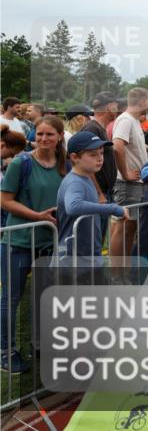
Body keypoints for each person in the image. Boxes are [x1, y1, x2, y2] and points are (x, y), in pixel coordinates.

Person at [0, 116, 65, 373]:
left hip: (48, 243)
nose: (44, 139)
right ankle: (6, 351)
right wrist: (37, 216)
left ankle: (40, 344)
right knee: (11, 298)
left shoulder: (65, 164)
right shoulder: (21, 163)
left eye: (49, 134)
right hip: (19, 242)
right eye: (39, 134)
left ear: (60, 136)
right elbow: (5, 201)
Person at [57, 132, 129, 262]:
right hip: (75, 258)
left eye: (101, 153)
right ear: (74, 157)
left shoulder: (85, 177)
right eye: (93, 155)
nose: (100, 158)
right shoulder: (75, 182)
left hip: (88, 254)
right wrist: (113, 209)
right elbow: (73, 206)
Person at [111, 88, 148, 259]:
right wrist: (125, 173)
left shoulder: (132, 120)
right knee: (123, 226)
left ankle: (123, 269)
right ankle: (116, 271)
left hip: (134, 183)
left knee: (130, 228)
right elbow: (117, 146)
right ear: (142, 102)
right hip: (128, 183)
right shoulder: (126, 120)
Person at [81, 92, 119, 200]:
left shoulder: (98, 128)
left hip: (105, 192)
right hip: (98, 194)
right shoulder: (93, 128)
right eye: (116, 106)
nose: (117, 110)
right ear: (109, 106)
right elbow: (86, 165)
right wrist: (99, 194)